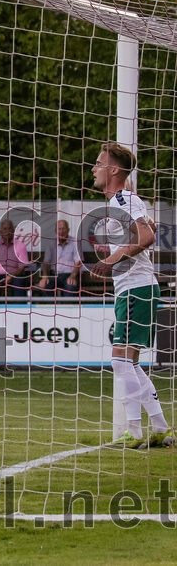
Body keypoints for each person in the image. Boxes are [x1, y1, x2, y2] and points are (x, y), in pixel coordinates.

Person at [90, 142, 174, 448]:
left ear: (113, 169)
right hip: (132, 289)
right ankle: (157, 429)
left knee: (120, 361)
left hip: (137, 288)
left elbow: (148, 236)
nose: (94, 168)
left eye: (99, 163)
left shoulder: (125, 199)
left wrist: (108, 261)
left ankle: (139, 431)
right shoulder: (122, 201)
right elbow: (147, 227)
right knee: (130, 363)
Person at [0, 219, 31, 297]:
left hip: (15, 276)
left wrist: (11, 276)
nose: (7, 231)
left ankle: (19, 307)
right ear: (0, 232)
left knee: (19, 282)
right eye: (5, 229)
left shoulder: (20, 246)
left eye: (9, 228)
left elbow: (21, 268)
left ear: (13, 230)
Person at [36, 219, 82, 296]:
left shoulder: (75, 242)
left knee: (70, 288)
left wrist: (73, 276)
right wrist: (44, 277)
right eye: (59, 229)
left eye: (64, 228)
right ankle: (50, 308)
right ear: (55, 231)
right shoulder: (51, 243)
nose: (61, 231)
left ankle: (67, 308)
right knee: (45, 286)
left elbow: (78, 262)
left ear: (68, 230)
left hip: (69, 274)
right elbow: (46, 262)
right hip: (54, 275)